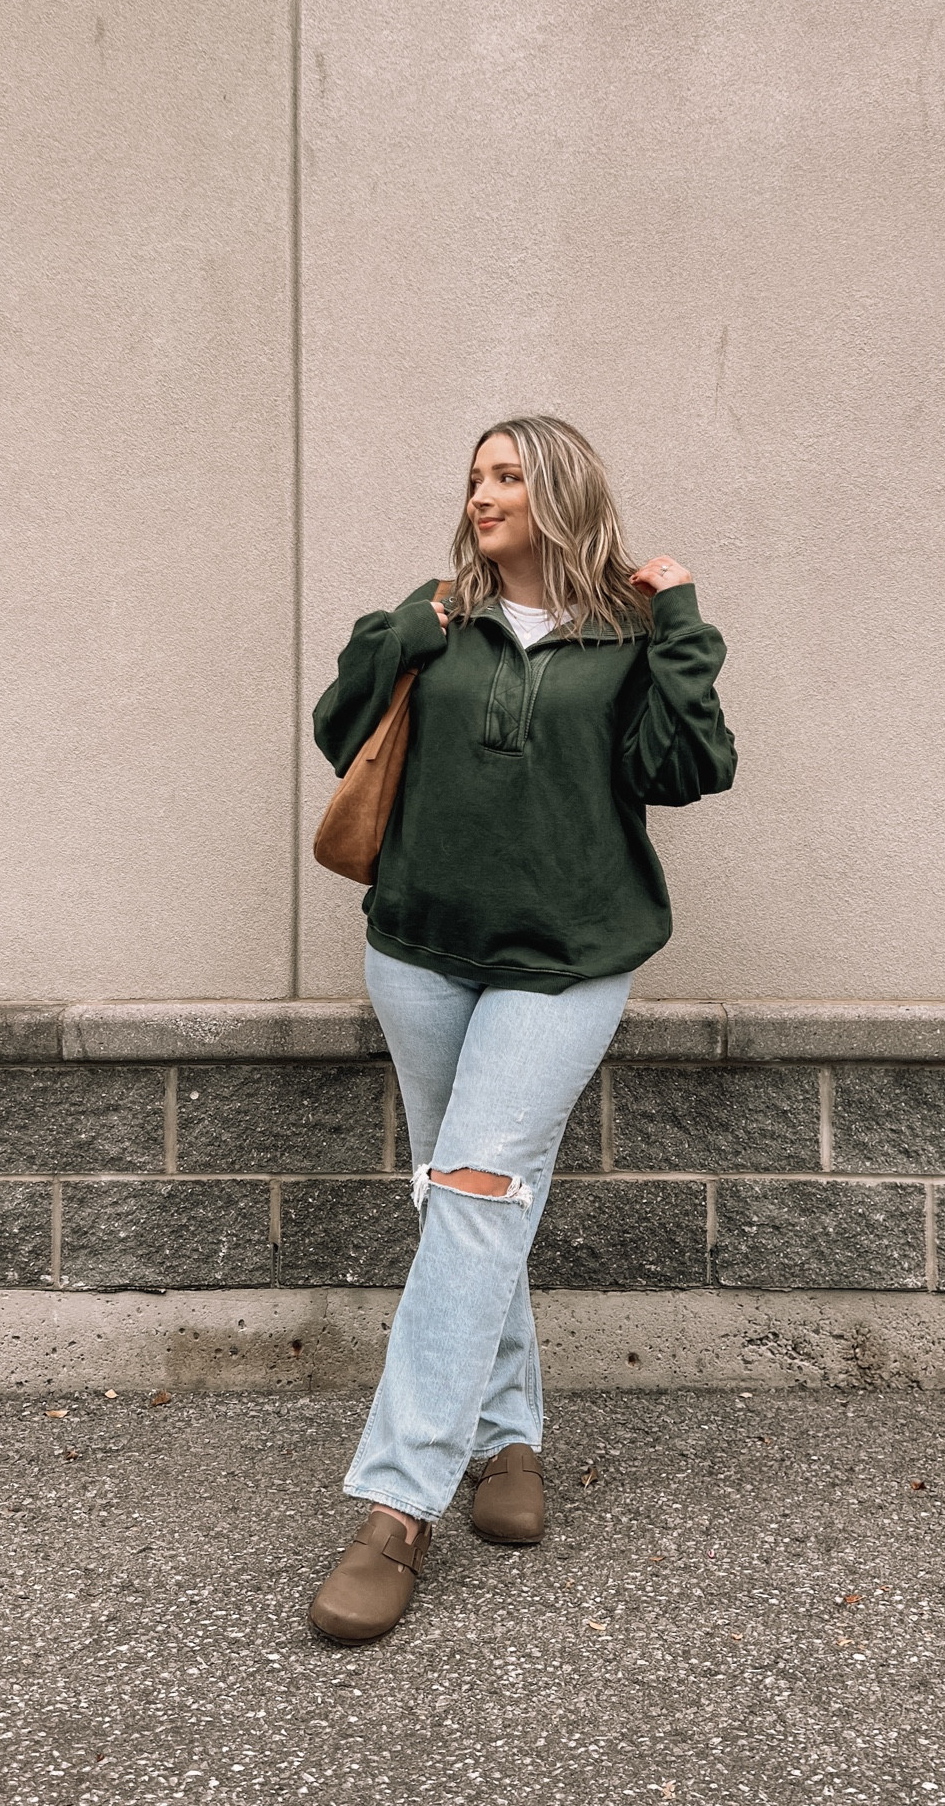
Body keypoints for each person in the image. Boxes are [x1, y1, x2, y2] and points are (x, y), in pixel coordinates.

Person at [305, 414, 737, 1644]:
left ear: (558, 490)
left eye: (506, 475)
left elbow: (687, 766)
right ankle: (507, 1443)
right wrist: (401, 632)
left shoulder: (627, 634)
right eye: (474, 476)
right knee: (461, 1200)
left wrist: (682, 622)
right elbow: (340, 729)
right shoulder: (436, 616)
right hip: (419, 951)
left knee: (477, 1189)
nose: (481, 493)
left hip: (567, 961)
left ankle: (396, 1507)